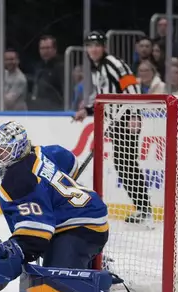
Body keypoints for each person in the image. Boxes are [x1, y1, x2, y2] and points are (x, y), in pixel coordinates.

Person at [0, 121, 142, 292]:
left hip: (80, 227)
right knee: (49, 276)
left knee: (58, 289)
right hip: (84, 217)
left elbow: (38, 231)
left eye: (4, 151)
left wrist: (18, 251)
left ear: (18, 149)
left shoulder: (18, 179)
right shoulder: (41, 152)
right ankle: (86, 263)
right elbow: (70, 162)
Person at [73, 31, 150, 224]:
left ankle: (144, 209)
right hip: (115, 121)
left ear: (104, 46)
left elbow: (131, 87)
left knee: (127, 164)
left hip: (126, 120)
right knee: (123, 164)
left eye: (97, 45)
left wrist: (133, 114)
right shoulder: (96, 68)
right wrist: (88, 109)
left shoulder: (113, 63)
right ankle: (143, 208)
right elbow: (105, 96)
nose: (94, 49)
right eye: (90, 46)